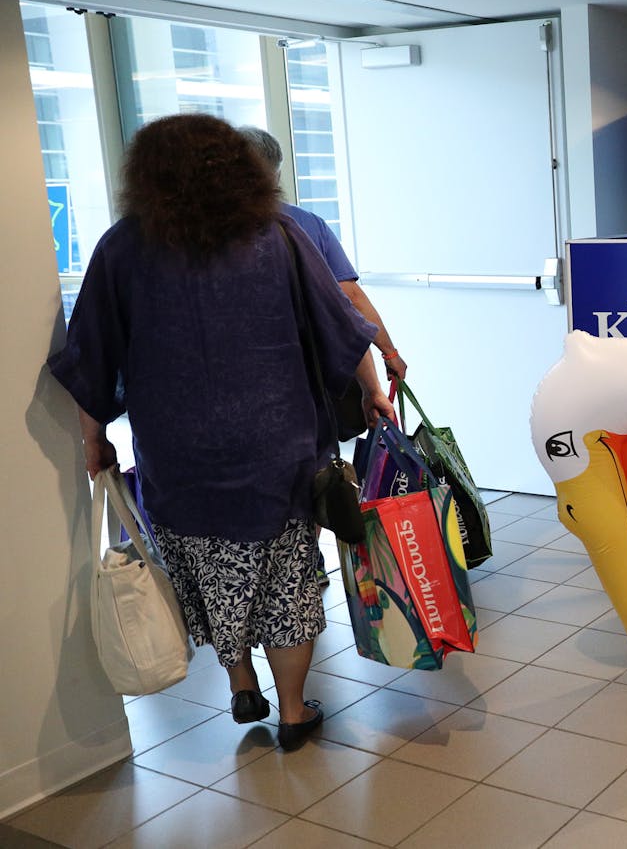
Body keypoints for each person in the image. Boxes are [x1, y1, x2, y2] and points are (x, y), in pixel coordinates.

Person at [48, 113, 396, 751]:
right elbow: (338, 324)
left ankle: (241, 684)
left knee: (210, 574)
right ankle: (293, 712)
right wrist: (373, 388)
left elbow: (92, 351)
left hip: (178, 455)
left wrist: (92, 435)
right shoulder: (282, 235)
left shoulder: (122, 247)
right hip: (281, 445)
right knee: (287, 576)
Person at [237, 126, 407, 381]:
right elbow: (350, 299)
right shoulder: (307, 224)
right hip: (309, 373)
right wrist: (389, 354)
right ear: (276, 175)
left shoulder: (203, 234)